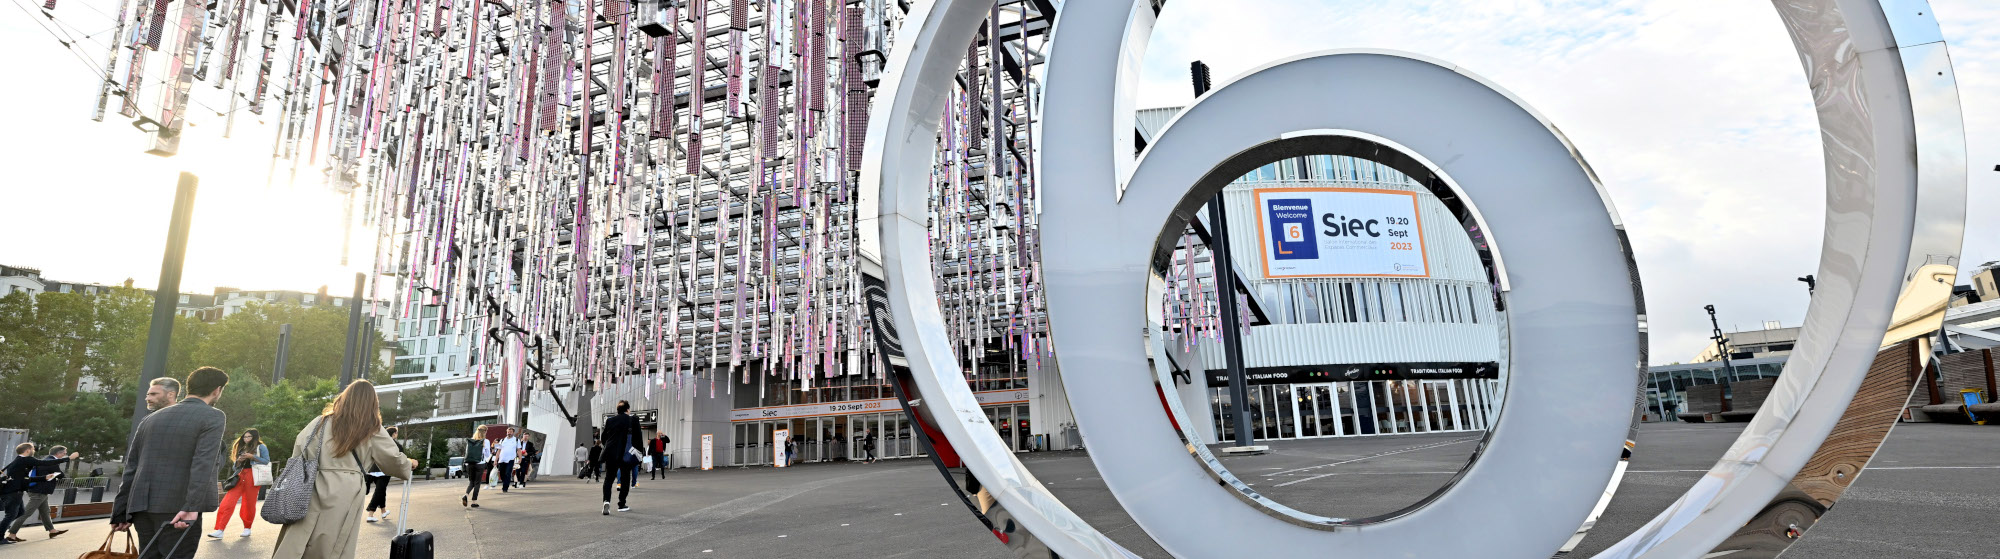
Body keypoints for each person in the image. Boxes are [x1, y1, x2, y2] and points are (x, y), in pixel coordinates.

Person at [271, 380, 416, 559]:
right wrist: (408, 464)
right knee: (333, 542)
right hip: (345, 489)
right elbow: (392, 458)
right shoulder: (370, 427)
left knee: (300, 536)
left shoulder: (321, 422)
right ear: (372, 402)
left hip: (311, 485)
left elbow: (300, 447)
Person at [111, 366, 230, 559]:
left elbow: (131, 467)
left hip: (142, 507)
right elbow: (203, 463)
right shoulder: (213, 415)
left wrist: (120, 511)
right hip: (178, 509)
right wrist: (191, 507)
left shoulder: (150, 419)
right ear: (217, 390)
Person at [207, 429, 268, 539]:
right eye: (244, 437)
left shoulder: (261, 447)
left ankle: (247, 528)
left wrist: (252, 457)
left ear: (254, 437)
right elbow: (236, 467)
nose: (246, 439)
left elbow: (266, 461)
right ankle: (219, 529)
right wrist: (239, 461)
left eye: (248, 437)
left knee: (248, 503)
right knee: (227, 502)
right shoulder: (242, 447)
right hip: (239, 476)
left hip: (253, 476)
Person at [3, 443, 67, 544]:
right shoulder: (45, 460)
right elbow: (60, 475)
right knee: (24, 513)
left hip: (37, 490)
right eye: (64, 453)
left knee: (45, 511)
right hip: (38, 491)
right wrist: (68, 459)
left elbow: (25, 477)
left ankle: (52, 530)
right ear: (28, 450)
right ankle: (12, 534)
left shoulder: (22, 460)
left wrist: (44, 477)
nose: (34, 451)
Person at [599, 401, 642, 515]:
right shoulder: (633, 420)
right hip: (626, 453)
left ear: (617, 410)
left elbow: (604, 438)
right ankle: (621, 504)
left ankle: (606, 501)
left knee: (609, 479)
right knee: (625, 478)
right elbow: (638, 438)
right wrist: (639, 453)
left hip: (612, 453)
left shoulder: (610, 421)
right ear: (628, 410)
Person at [364, 426, 403, 523]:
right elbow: (399, 458)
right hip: (385, 470)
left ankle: (383, 511)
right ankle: (370, 513)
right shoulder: (396, 445)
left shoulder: (379, 441)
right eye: (397, 433)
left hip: (373, 469)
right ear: (394, 434)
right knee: (379, 490)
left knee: (381, 490)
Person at [461, 426, 492, 509]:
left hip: (470, 464)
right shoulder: (486, 441)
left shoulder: (470, 440)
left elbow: (467, 453)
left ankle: (466, 495)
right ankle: (474, 502)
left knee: (471, 482)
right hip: (480, 463)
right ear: (485, 432)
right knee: (477, 483)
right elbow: (487, 455)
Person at [495, 427, 520, 493]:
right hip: (502, 459)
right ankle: (505, 482)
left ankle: (505, 488)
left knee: (508, 473)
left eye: (510, 432)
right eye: (508, 432)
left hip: (511, 459)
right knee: (502, 473)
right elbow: (498, 450)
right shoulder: (502, 440)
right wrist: (495, 460)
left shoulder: (516, 440)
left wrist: (520, 458)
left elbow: (519, 450)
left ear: (513, 432)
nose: (509, 433)